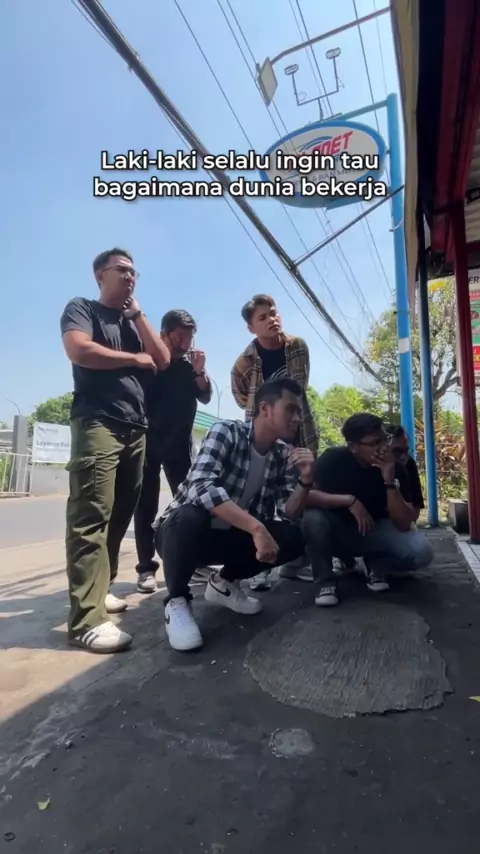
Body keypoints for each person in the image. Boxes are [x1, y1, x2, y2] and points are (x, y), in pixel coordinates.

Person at [60, 248, 171, 653]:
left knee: (120, 514)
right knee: (91, 516)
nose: (130, 277)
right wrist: (133, 359)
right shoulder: (82, 309)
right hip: (98, 421)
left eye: (134, 272)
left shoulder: (132, 322)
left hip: (135, 427)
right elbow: (79, 350)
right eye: (121, 270)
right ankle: (86, 621)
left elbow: (162, 359)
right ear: (99, 275)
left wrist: (138, 316)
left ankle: (99, 588)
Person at [154, 378, 313, 651]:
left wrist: (306, 479)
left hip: (229, 539)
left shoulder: (281, 456)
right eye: (290, 409)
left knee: (293, 537)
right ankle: (177, 601)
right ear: (265, 408)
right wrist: (256, 528)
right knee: (190, 515)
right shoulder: (227, 432)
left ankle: (224, 584)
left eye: (299, 412)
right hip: (180, 536)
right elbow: (201, 485)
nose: (298, 418)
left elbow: (288, 512)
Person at [231, 294, 318, 591]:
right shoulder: (243, 363)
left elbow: (299, 388)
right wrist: (267, 417)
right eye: (263, 317)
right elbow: (241, 397)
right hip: (263, 435)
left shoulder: (298, 347)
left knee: (303, 491)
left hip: (299, 428)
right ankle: (259, 565)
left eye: (274, 313)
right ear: (251, 327)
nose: (272, 319)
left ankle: (297, 560)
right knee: (261, 496)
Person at [302, 413, 433, 608]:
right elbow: (306, 496)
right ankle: (325, 582)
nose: (384, 447)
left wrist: (389, 481)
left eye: (385, 439)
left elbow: (403, 523)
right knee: (313, 519)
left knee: (421, 552)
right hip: (338, 531)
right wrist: (350, 501)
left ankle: (377, 563)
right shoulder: (333, 459)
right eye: (375, 442)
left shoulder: (396, 467)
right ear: (353, 447)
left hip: (374, 531)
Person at [134, 309, 212, 593]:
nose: (184, 344)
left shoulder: (190, 366)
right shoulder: (148, 361)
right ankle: (146, 568)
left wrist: (200, 370)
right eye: (179, 338)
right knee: (145, 506)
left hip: (180, 446)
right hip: (148, 444)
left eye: (189, 338)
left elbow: (205, 396)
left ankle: (193, 562)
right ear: (162, 335)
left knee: (190, 505)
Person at [385, 423, 425, 520]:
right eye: (396, 451)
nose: (403, 457)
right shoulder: (369, 466)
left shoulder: (409, 464)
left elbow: (415, 513)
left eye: (406, 450)